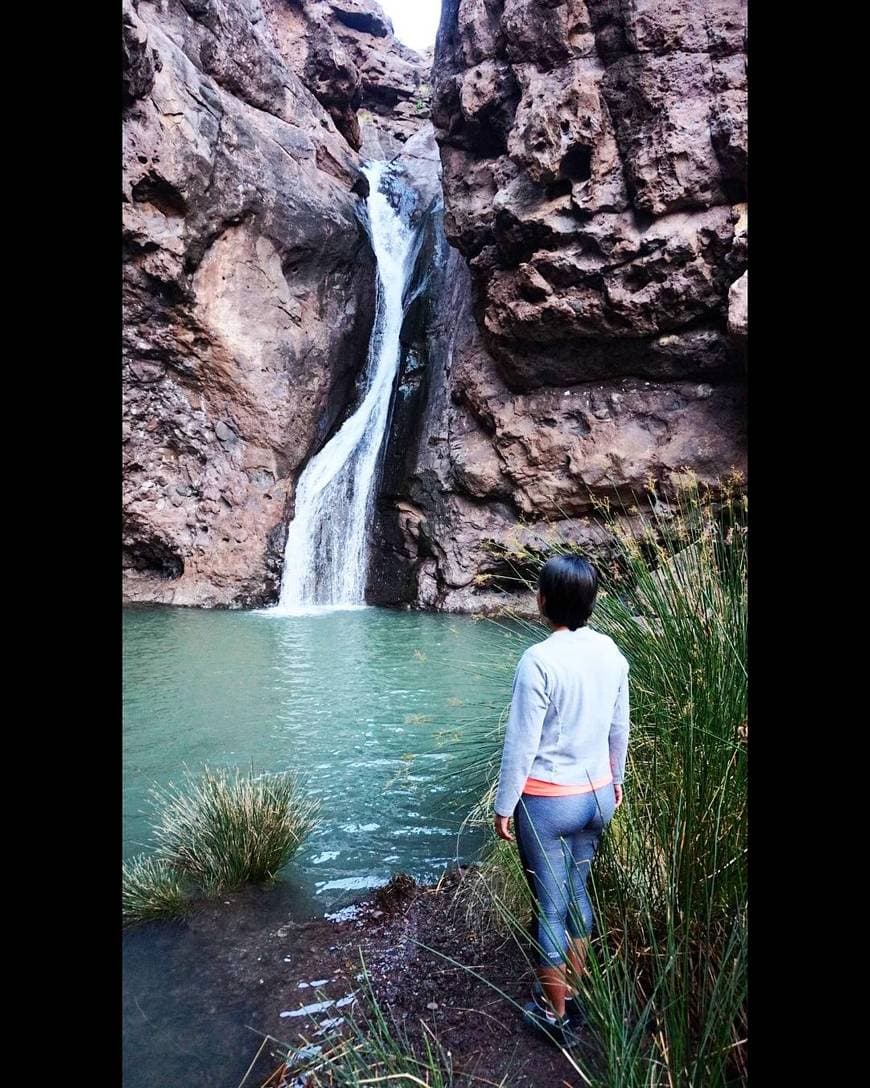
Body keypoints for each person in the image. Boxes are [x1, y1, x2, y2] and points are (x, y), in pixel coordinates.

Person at [493, 554, 630, 1046]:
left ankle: (557, 1014)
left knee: (549, 909)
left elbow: (521, 744)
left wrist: (505, 805)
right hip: (597, 798)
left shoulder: (539, 659)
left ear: (543, 600)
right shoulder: (613, 653)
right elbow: (620, 729)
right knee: (577, 894)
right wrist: (616, 781)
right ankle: (573, 986)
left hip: (549, 804)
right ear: (592, 601)